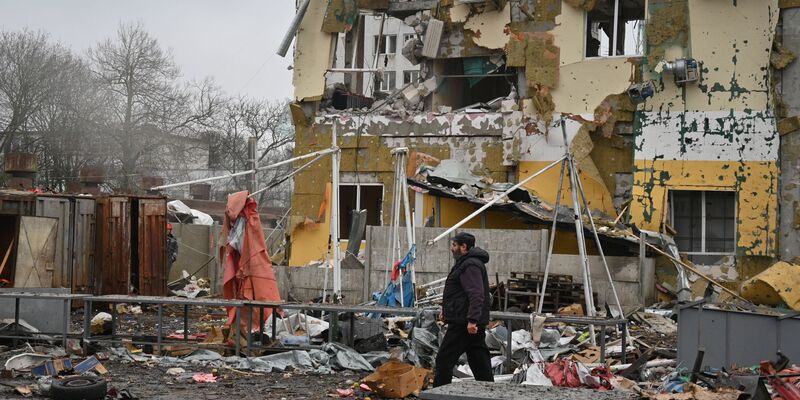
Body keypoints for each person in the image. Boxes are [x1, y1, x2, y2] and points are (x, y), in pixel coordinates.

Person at [433, 232, 494, 387]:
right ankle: (490, 393)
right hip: (467, 321)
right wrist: (446, 311)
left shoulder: (470, 265)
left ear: (463, 247)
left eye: (454, 245)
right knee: (479, 362)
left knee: (444, 360)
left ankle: (439, 395)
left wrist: (472, 320)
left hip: (464, 324)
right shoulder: (466, 263)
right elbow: (459, 293)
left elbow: (476, 294)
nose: (451, 248)